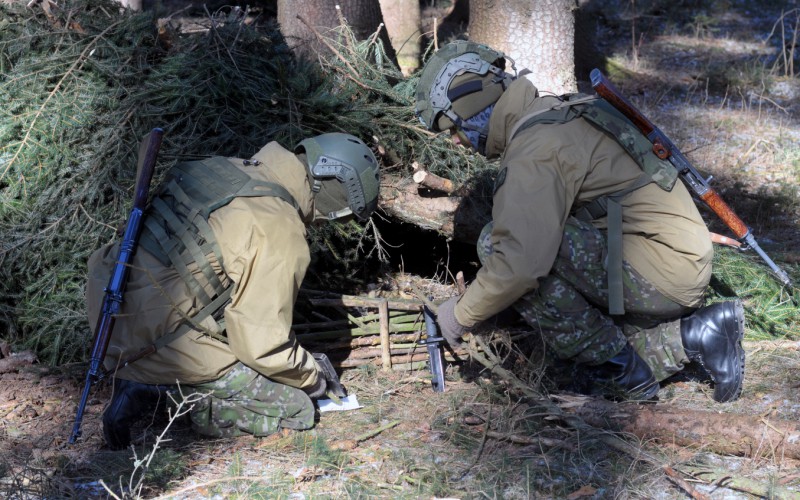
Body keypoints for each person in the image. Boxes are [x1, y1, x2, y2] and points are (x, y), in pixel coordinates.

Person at [415, 40, 746, 402]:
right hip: (674, 260)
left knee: (498, 242)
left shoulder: (535, 149)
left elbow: (520, 263)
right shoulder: (561, 109)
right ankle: (697, 335)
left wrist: (457, 315)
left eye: (454, 130)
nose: (457, 142)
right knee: (567, 359)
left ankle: (622, 374)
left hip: (661, 273)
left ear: (474, 113)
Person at [86, 132, 380, 449]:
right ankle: (170, 395)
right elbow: (260, 343)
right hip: (161, 342)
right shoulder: (278, 225)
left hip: (109, 319)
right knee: (296, 408)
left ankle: (140, 381)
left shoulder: (228, 168)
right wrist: (310, 377)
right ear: (333, 195)